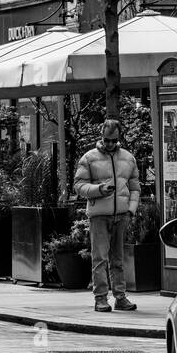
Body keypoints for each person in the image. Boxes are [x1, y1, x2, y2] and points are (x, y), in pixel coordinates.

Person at [74, 119, 141, 312]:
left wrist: (131, 209)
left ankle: (120, 297)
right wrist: (99, 189)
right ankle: (101, 298)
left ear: (118, 138)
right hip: (99, 216)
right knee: (100, 258)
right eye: (106, 140)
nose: (109, 144)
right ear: (101, 137)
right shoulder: (89, 157)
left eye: (113, 140)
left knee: (118, 259)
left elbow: (135, 187)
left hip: (121, 214)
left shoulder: (128, 158)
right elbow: (79, 185)